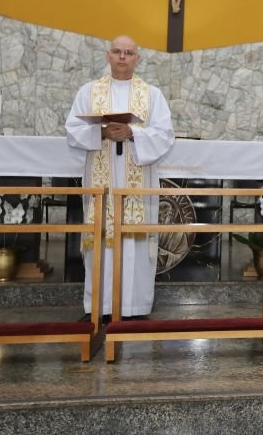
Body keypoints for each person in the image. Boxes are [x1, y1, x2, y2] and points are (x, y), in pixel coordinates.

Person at [65, 35, 175, 321]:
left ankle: (133, 306)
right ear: (107, 56)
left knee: (134, 241)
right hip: (103, 180)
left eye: (129, 52)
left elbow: (164, 135)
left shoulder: (152, 95)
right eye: (117, 51)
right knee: (102, 236)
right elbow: (73, 128)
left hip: (136, 178)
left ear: (137, 58)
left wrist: (133, 133)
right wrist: (101, 132)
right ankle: (100, 306)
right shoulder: (89, 91)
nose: (123, 56)